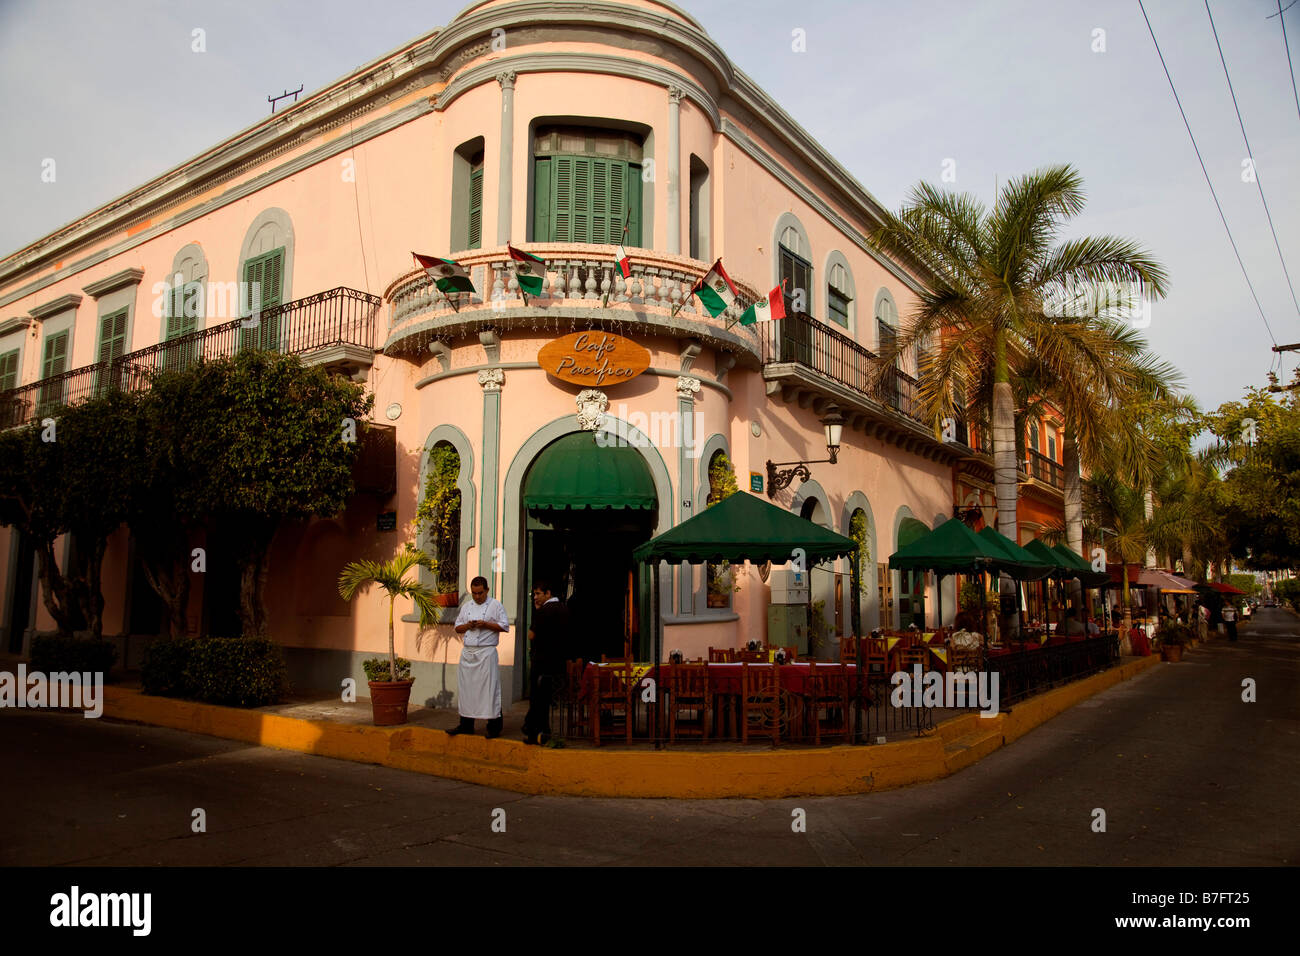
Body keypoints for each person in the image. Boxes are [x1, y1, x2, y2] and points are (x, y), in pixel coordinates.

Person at [448, 576, 509, 738]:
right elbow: (457, 627)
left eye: (480, 593)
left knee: (489, 690)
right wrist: (468, 626)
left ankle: (494, 727)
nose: (477, 596)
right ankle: (466, 725)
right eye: (474, 593)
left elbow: (504, 626)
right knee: (467, 690)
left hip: (486, 653)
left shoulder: (496, 605)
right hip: (468, 653)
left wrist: (486, 624)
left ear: (487, 590)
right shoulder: (467, 606)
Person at [522, 578, 571, 745]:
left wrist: (537, 612)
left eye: (537, 594)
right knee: (547, 697)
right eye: (533, 594)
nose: (535, 597)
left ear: (548, 593)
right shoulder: (564, 609)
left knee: (538, 699)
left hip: (542, 661)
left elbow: (531, 635)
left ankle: (536, 732)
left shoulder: (544, 611)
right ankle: (534, 728)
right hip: (557, 661)